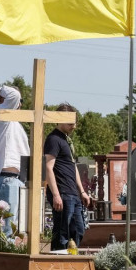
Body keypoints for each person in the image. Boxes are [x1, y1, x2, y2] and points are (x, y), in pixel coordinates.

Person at [43, 103, 92, 251]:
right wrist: (56, 195)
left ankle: (71, 259)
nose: (74, 126)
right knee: (62, 232)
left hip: (73, 193)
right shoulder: (53, 139)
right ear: (60, 119)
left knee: (78, 229)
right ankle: (57, 263)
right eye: (71, 123)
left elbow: (72, 166)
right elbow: (49, 167)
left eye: (75, 122)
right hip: (62, 192)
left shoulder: (66, 140)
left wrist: (82, 191)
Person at [0, 85, 30, 237]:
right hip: (6, 179)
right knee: (8, 231)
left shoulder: (15, 124)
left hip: (18, 179)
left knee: (15, 229)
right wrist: (0, 89)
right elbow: (13, 95)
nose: (20, 103)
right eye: (20, 100)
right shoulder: (0, 116)